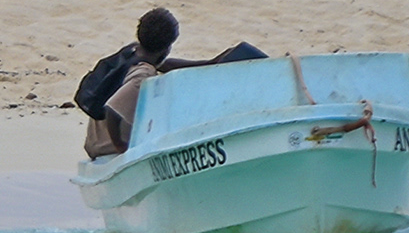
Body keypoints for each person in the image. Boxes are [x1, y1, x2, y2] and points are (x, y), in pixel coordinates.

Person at [73, 10, 266, 156]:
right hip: (107, 148)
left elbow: (166, 65)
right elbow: (112, 110)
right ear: (168, 47)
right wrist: (120, 146)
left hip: (95, 140)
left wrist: (209, 64)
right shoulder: (143, 75)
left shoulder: (132, 52)